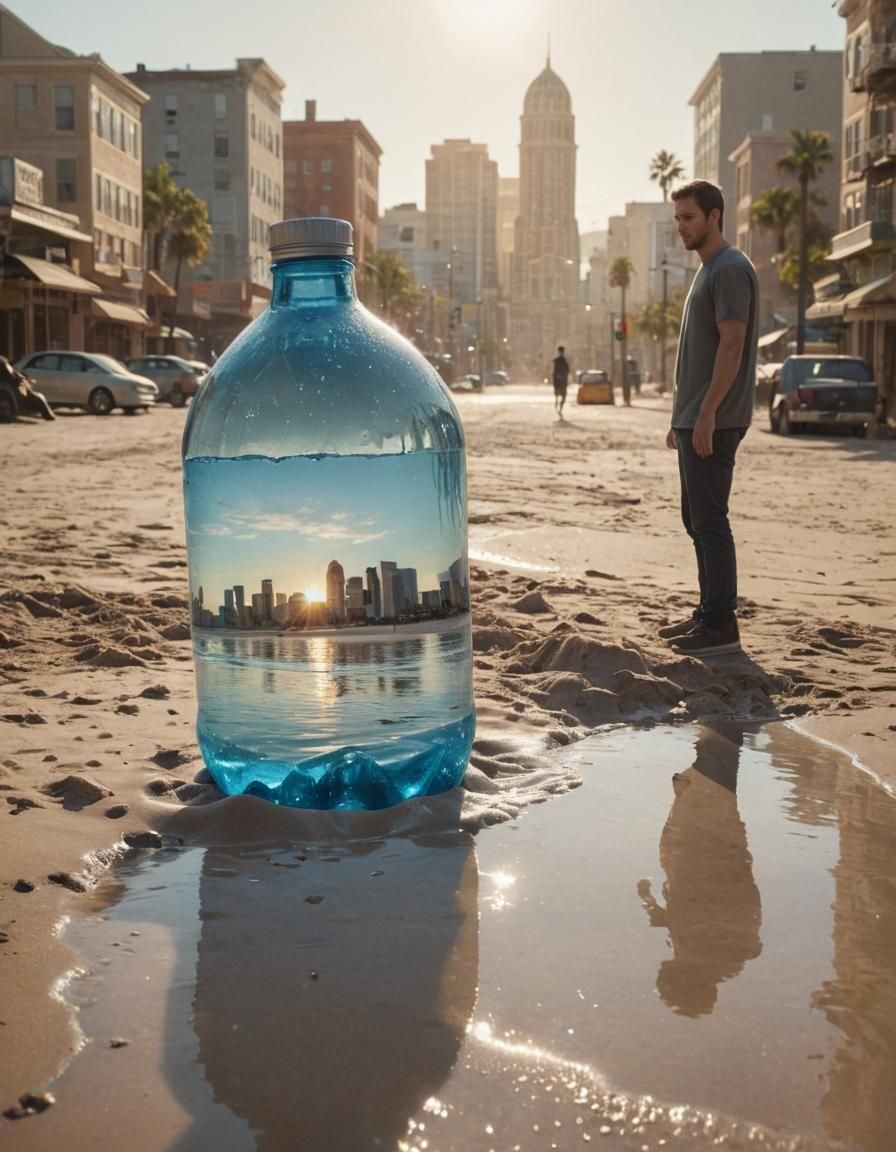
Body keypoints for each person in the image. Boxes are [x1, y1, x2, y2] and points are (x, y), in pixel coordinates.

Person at [662, 179, 758, 657]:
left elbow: (733, 345)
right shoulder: (707, 270)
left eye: (689, 217)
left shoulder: (729, 269)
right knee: (694, 518)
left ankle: (721, 624)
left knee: (710, 519)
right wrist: (681, 417)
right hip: (697, 417)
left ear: (714, 216)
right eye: (678, 218)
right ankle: (707, 614)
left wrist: (706, 414)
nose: (681, 226)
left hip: (714, 420)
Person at [551, 346, 570, 416]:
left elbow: (568, 371)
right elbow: (553, 372)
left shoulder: (565, 361)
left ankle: (560, 408)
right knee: (557, 395)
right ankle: (557, 403)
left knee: (564, 396)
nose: (561, 353)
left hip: (563, 382)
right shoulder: (556, 361)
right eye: (561, 352)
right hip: (558, 382)